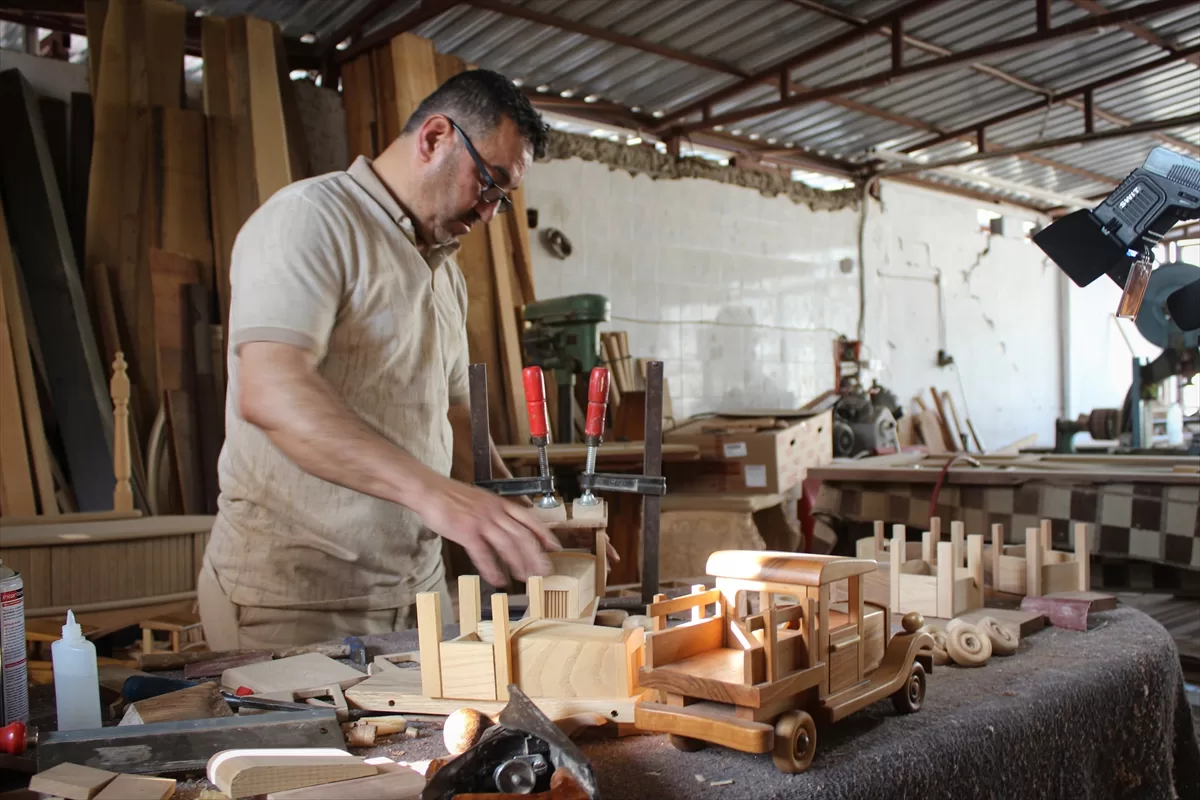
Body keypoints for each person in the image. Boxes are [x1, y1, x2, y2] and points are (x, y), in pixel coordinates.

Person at [198, 69, 563, 650]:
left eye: (502, 198)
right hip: (299, 600)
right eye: (488, 184)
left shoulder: (442, 268)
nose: (490, 213)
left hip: (418, 592)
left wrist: (522, 514)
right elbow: (271, 389)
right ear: (436, 137)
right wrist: (434, 494)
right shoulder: (311, 220)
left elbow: (456, 417)